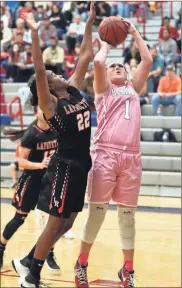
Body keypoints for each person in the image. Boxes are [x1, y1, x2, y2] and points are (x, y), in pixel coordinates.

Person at [16, 3, 95, 287]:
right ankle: (31, 276)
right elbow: (39, 69)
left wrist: (89, 23)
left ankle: (27, 261)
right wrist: (35, 34)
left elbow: (85, 53)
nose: (57, 74)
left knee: (69, 222)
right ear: (47, 87)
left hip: (81, 164)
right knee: (55, 224)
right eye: (53, 76)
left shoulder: (73, 90)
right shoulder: (52, 105)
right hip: (64, 166)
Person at [74, 20, 152, 288]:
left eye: (120, 65)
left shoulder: (134, 88)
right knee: (96, 213)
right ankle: (81, 262)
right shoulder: (102, 90)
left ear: (127, 74)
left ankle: (128, 270)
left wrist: (134, 32)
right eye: (112, 66)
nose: (116, 66)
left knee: (127, 217)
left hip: (131, 157)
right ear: (106, 76)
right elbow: (97, 63)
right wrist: (106, 41)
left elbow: (147, 58)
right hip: (105, 154)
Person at [0, 101, 60, 272]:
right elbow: (21, 162)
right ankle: (1, 247)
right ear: (36, 113)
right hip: (31, 180)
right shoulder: (31, 135)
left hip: (49, 180)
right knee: (19, 219)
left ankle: (48, 252)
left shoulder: (56, 130)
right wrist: (40, 165)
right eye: (43, 109)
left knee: (53, 221)